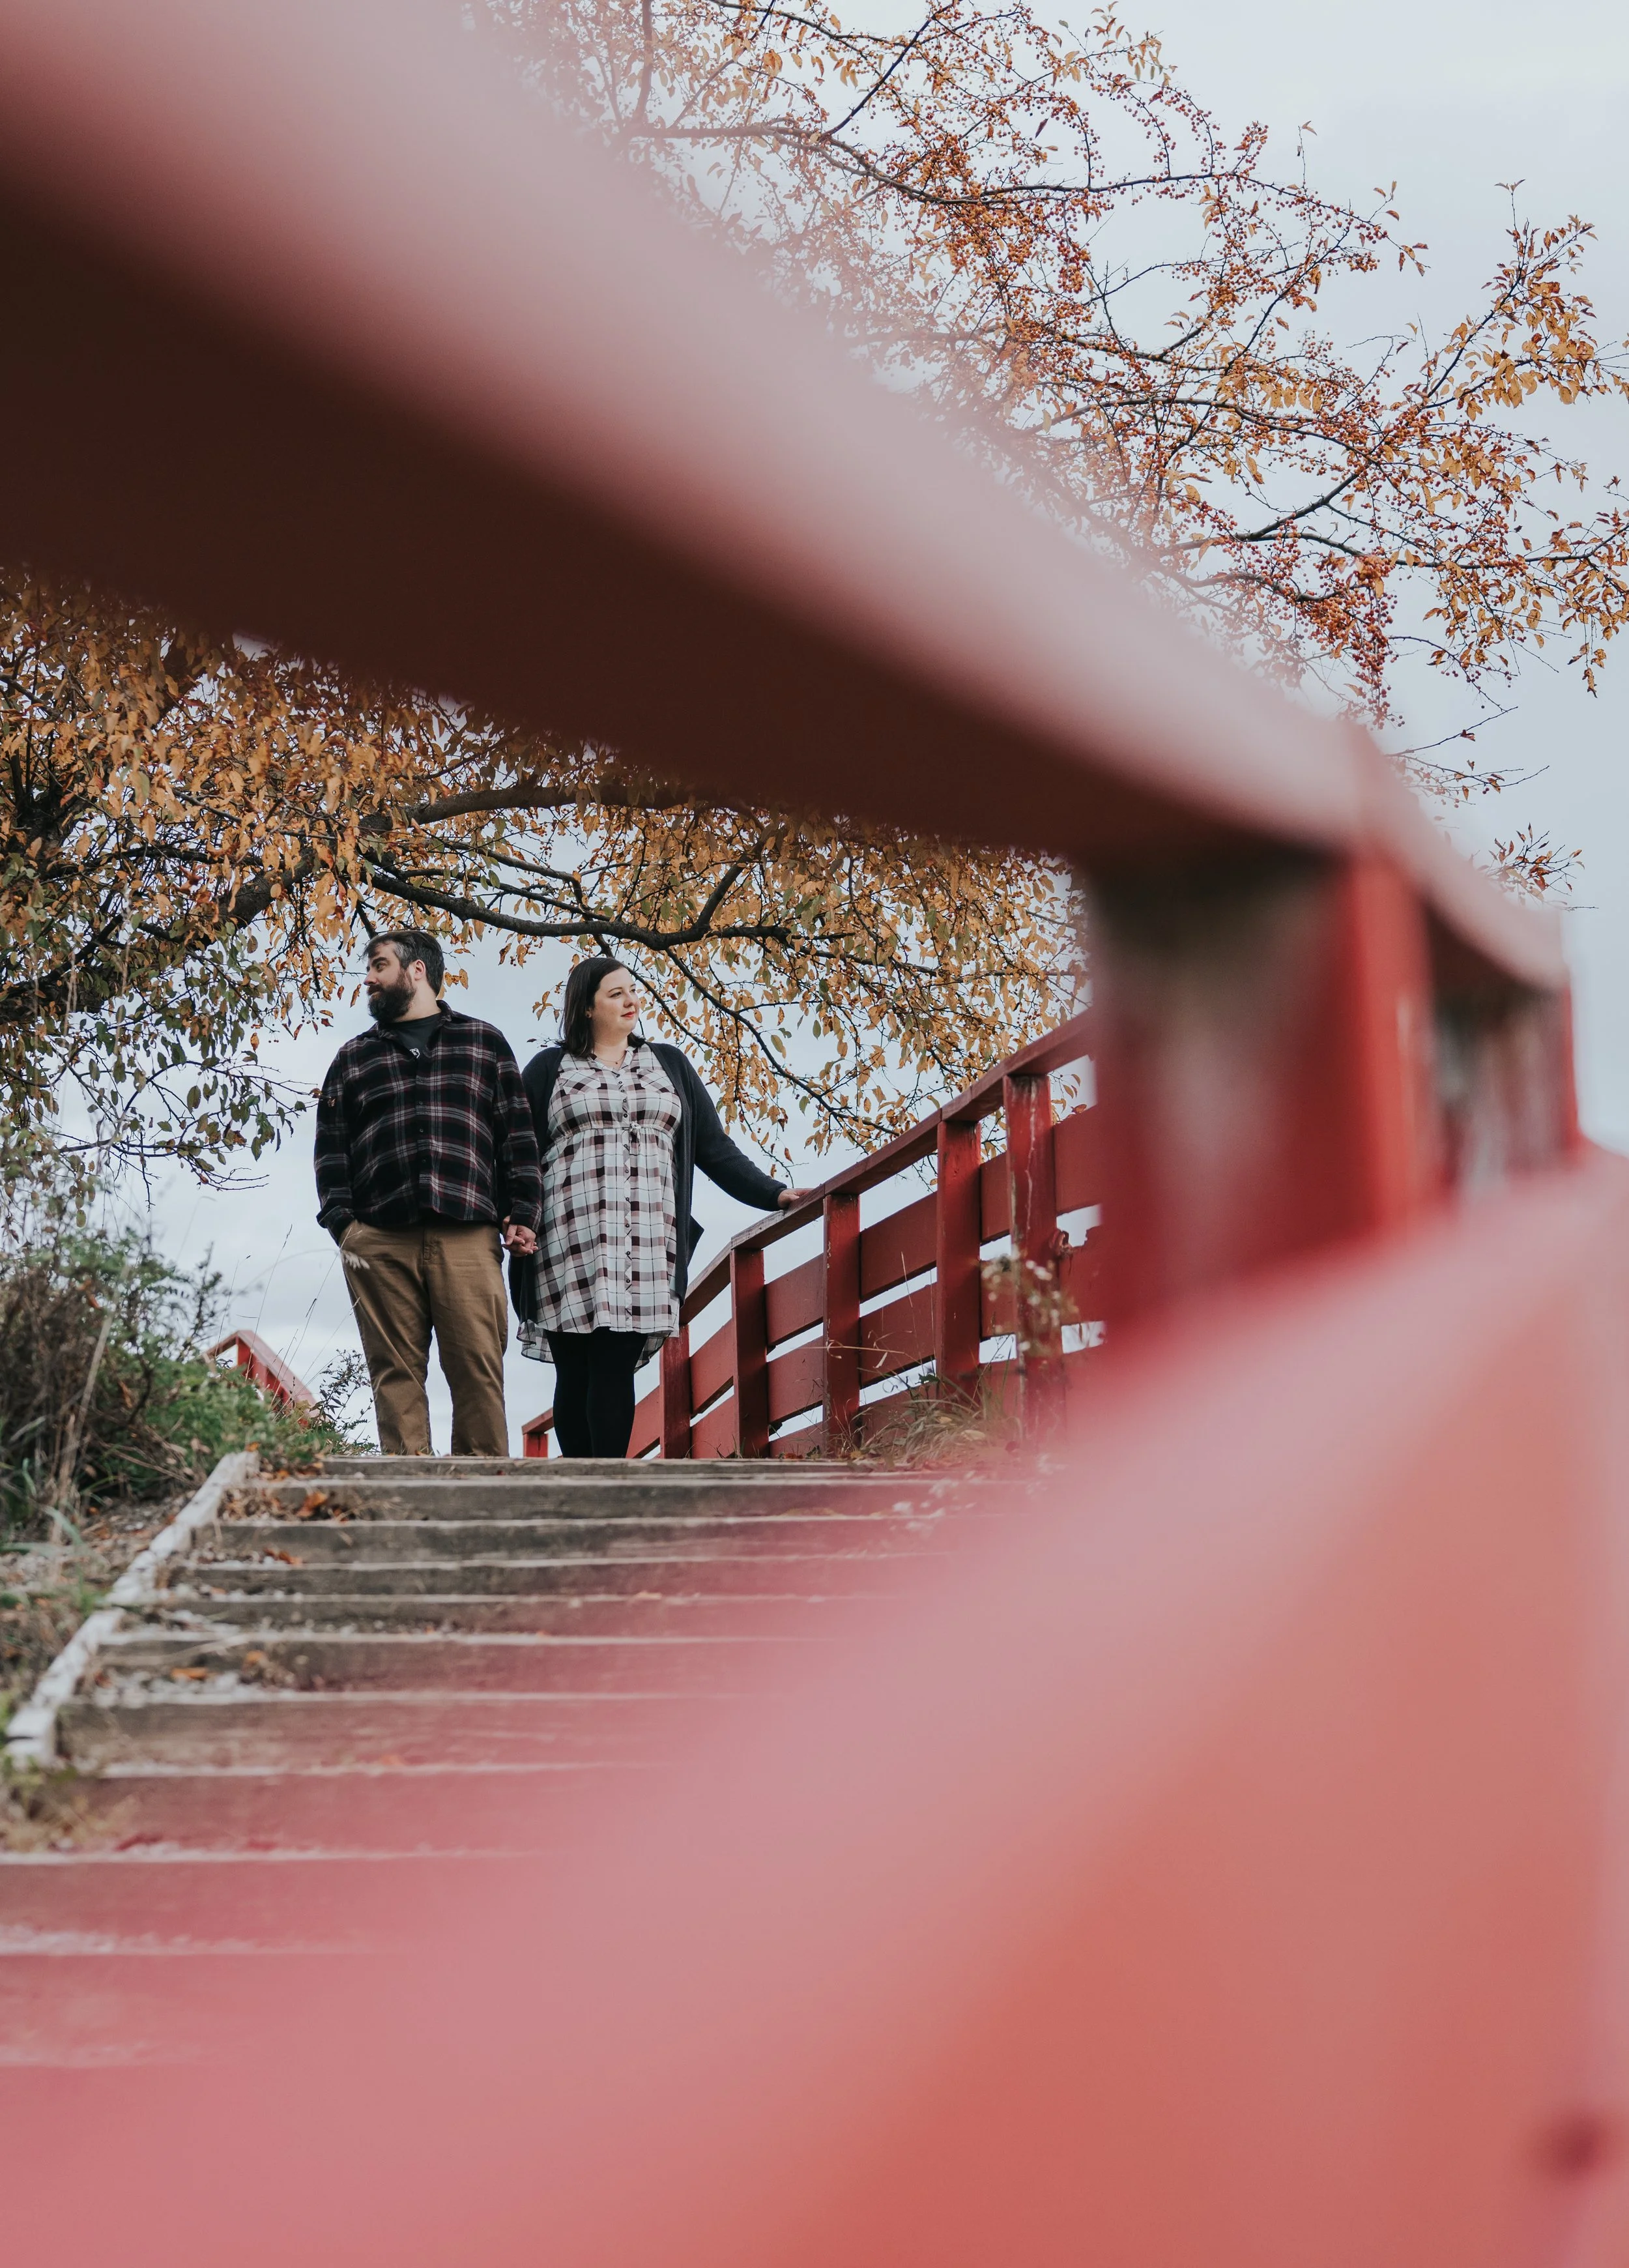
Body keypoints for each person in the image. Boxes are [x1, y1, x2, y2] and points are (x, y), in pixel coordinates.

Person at [519, 957, 812, 1458]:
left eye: (632, 990)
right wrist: (515, 1217)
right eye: (615, 993)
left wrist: (773, 1193)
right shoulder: (550, 1069)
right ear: (586, 1007)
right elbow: (518, 1153)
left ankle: (608, 1483)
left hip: (648, 1241)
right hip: (567, 1238)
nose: (631, 1000)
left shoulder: (668, 1064)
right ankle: (578, 1483)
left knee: (615, 1360)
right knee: (577, 1367)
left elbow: (713, 1148)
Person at [314, 928, 541, 1457]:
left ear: (416, 970)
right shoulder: (353, 1057)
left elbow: (517, 1137)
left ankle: (486, 1488)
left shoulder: (484, 1042)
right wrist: (345, 1227)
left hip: (467, 1234)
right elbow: (331, 1150)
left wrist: (523, 1211)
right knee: (393, 1373)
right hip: (379, 1239)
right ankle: (406, 1489)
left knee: (478, 1368)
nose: (368, 979)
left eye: (379, 965)